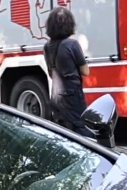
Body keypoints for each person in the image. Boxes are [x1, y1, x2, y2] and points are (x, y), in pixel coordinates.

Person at [44, 7, 92, 137]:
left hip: (55, 95)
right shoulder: (72, 44)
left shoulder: (47, 47)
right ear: (69, 25)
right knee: (82, 128)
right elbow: (85, 71)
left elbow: (50, 72)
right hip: (72, 94)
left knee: (63, 132)